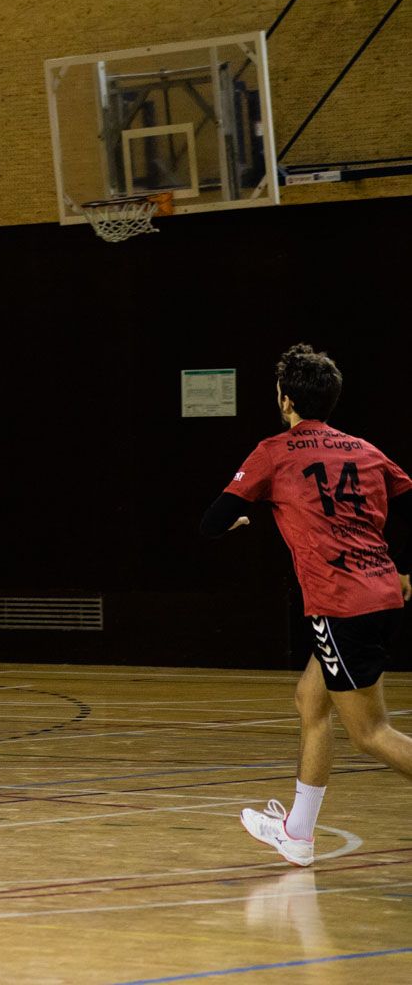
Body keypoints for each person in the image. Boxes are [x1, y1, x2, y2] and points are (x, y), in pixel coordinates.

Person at [202, 343, 412, 866]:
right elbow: (400, 498)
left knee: (371, 733)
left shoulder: (275, 450)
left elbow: (211, 522)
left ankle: (297, 833)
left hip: (341, 605)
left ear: (286, 398)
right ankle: (297, 833)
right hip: (380, 593)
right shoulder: (365, 450)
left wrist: (239, 520)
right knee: (310, 699)